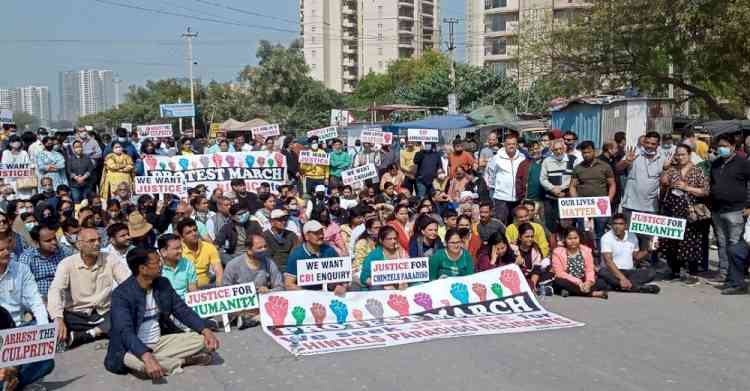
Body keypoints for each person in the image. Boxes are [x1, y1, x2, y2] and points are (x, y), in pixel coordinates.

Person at [105, 248, 220, 379]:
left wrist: (205, 330)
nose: (162, 264)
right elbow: (125, 332)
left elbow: (182, 310)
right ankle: (184, 361)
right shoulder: (121, 295)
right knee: (137, 362)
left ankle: (164, 363)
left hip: (159, 342)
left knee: (202, 340)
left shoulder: (163, 283)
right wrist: (146, 356)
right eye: (157, 262)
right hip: (131, 349)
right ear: (143, 269)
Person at [47, 227, 131, 348]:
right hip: (77, 315)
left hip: (104, 312)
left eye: (99, 240)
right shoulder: (67, 264)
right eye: (91, 241)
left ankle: (90, 333)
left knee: (126, 314)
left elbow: (127, 282)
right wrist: (58, 318)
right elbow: (56, 289)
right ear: (80, 245)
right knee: (54, 321)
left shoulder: (110, 258)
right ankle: (102, 329)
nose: (97, 244)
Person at [658, 143, 710, 283]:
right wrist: (666, 168)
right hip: (672, 209)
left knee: (690, 241)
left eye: (683, 154)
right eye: (678, 154)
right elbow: (663, 182)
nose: (680, 157)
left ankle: (691, 272)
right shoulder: (672, 170)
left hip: (690, 212)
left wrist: (687, 187)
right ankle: (674, 270)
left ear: (689, 155)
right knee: (672, 241)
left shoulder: (697, 170)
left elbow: (705, 191)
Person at [617, 131, 671, 253]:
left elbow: (665, 182)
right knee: (630, 238)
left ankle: (647, 263)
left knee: (648, 239)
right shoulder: (633, 154)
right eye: (647, 142)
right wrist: (627, 162)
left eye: (653, 143)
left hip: (650, 207)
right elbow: (618, 168)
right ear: (643, 142)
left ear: (658, 145)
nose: (649, 146)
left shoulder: (663, 159)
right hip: (631, 205)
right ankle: (631, 262)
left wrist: (666, 169)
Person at [709, 133, 750, 283]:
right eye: (719, 146)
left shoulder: (743, 163)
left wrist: (749, 206)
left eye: (725, 146)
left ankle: (736, 276)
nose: (721, 149)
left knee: (735, 245)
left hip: (737, 210)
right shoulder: (715, 163)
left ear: (733, 147)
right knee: (722, 243)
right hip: (718, 210)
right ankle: (723, 273)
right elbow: (712, 184)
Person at [224, 234, 283, 328]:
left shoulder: (269, 263)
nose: (264, 250)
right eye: (259, 248)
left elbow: (279, 287)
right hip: (241, 305)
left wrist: (269, 291)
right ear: (249, 250)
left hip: (261, 303)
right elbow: (225, 291)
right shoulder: (233, 265)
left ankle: (253, 319)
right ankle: (250, 318)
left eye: (265, 246)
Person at [569, 140, 616, 249]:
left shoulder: (605, 166)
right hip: (584, 206)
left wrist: (609, 199)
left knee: (600, 233)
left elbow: (612, 184)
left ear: (594, 151)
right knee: (584, 232)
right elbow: (572, 186)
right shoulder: (578, 168)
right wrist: (575, 200)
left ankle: (600, 256)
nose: (586, 155)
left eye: (588, 152)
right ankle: (586, 254)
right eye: (584, 153)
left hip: (600, 205)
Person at [599, 214, 660, 293]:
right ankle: (637, 287)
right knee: (603, 272)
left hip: (629, 272)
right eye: (615, 224)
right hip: (612, 271)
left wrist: (648, 250)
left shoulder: (632, 236)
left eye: (620, 224)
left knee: (651, 272)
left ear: (626, 226)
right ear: (611, 225)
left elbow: (636, 257)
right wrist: (622, 278)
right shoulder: (606, 237)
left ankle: (618, 286)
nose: (617, 226)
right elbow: (608, 262)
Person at [284, 220, 348, 295]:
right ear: (306, 236)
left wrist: (341, 286)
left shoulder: (330, 251)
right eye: (316, 233)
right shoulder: (297, 255)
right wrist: (311, 294)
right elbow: (289, 284)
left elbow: (343, 278)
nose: (321, 236)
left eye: (321, 232)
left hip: (329, 295)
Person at [0, 305, 55, 391]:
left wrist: (12, 370)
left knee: (46, 361)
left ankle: (12, 384)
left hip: (4, 367)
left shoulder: (2, 314)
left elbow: (13, 347)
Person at [0, 236, 48, 327]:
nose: (6, 252)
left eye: (8, 249)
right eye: (1, 250)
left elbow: (35, 300)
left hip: (19, 326)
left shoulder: (21, 269)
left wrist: (43, 328)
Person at [19, 224, 73, 302]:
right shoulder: (28, 258)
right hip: (40, 300)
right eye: (48, 241)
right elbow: (24, 286)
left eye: (54, 238)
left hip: (65, 297)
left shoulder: (63, 251)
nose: (54, 242)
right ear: (36, 242)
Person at [551, 226, 608, 299]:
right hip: (569, 281)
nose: (573, 241)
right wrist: (578, 282)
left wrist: (588, 283)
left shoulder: (586, 251)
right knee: (558, 282)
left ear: (579, 238)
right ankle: (593, 293)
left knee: (602, 282)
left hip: (583, 281)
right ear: (565, 239)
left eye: (575, 238)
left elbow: (589, 270)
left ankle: (570, 292)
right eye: (570, 238)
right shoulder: (557, 252)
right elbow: (560, 273)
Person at [485, 133, 526, 224]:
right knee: (501, 223)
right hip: (501, 197)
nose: (511, 146)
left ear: (517, 145)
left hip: (517, 198)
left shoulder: (522, 157)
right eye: (509, 144)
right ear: (504, 145)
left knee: (517, 223)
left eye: (513, 144)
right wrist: (494, 188)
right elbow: (489, 174)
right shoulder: (496, 158)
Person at [540, 139, 575, 232]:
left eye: (560, 148)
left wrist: (561, 188)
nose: (559, 151)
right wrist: (552, 188)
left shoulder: (572, 160)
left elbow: (574, 178)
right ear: (552, 150)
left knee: (567, 224)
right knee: (551, 224)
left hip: (566, 197)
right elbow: (543, 179)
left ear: (564, 148)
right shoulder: (547, 161)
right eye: (556, 149)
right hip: (550, 198)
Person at [359, 225, 410, 290]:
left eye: (395, 238)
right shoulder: (374, 255)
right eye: (389, 239)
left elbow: (410, 271)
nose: (393, 241)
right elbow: (364, 278)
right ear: (381, 240)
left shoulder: (402, 252)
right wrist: (382, 283)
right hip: (382, 289)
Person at [178, 218, 223, 288]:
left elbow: (219, 272)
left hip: (207, 287)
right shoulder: (178, 251)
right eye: (189, 232)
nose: (194, 234)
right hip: (186, 289)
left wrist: (218, 290)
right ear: (181, 237)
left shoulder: (209, 247)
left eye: (195, 230)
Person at [157, 234, 197, 298]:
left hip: (185, 305)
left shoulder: (188, 264)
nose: (180, 251)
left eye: (181, 247)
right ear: (163, 252)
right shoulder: (156, 268)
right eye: (176, 249)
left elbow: (193, 291)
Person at [262, 209, 299, 273]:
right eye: (280, 220)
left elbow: (295, 253)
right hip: (272, 269)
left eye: (285, 219)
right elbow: (266, 257)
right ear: (272, 222)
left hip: (290, 268)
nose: (284, 222)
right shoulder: (264, 236)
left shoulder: (292, 235)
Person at [2, 134, 34, 199]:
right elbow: (4, 167)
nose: (16, 143)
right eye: (14, 141)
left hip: (23, 181)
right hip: (10, 181)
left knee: (25, 198)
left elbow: (28, 166)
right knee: (12, 198)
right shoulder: (6, 153)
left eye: (18, 141)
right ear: (10, 143)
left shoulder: (24, 153)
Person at [352, 218, 382, 286]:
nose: (379, 230)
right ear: (368, 230)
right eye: (376, 228)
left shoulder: (381, 242)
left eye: (380, 227)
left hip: (378, 270)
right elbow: (360, 263)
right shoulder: (362, 242)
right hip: (362, 270)